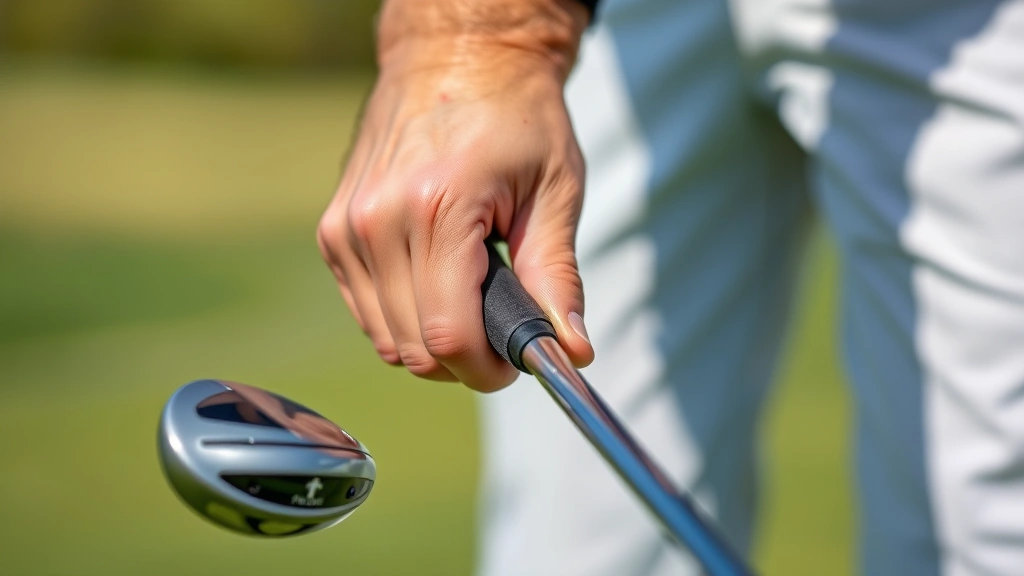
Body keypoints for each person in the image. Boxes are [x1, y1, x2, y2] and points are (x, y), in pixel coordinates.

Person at [317, 0, 1024, 574]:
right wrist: (487, 34)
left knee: (982, 531)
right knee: (581, 544)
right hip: (621, 29)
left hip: (959, 20)